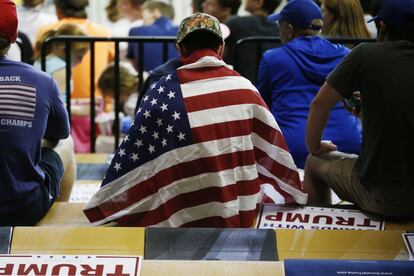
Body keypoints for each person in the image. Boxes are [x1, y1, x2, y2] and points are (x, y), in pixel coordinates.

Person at [84, 12, 307, 227]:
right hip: (238, 211)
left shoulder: (160, 90)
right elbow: (270, 151)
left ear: (179, 48)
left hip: (178, 211)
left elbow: (136, 154)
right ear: (220, 47)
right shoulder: (246, 88)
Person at [304, 0, 414, 217]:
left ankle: (319, 242)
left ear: (382, 27)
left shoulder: (365, 55)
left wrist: (315, 146)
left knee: (313, 162)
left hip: (385, 196)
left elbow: (320, 103)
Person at [256, 0, 362, 169]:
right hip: (349, 143)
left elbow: (262, 108)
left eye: (280, 25)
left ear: (289, 29)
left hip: (294, 148)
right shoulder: (346, 55)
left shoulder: (272, 58)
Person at [0, 0, 75, 226]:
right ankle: (56, 221)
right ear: (13, 38)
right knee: (67, 143)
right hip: (23, 208)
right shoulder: (41, 80)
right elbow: (61, 132)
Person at [37, 0, 114, 153]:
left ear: (58, 9)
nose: (81, 61)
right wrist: (81, 109)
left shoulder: (47, 34)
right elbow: (55, 105)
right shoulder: (102, 32)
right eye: (80, 56)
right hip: (65, 122)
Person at [224, 0, 282, 82]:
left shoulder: (234, 23)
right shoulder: (279, 30)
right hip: (269, 86)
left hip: (239, 84)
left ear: (259, 3)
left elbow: (219, 54)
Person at [33, 23, 89, 102]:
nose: (81, 61)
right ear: (65, 50)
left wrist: (83, 102)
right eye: (79, 56)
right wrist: (84, 109)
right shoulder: (60, 68)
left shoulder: (44, 60)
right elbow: (60, 106)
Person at [127, 0, 179, 73]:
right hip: (178, 80)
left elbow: (134, 63)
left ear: (156, 12)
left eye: (143, 15)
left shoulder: (135, 31)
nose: (142, 20)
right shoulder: (181, 31)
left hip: (149, 80)